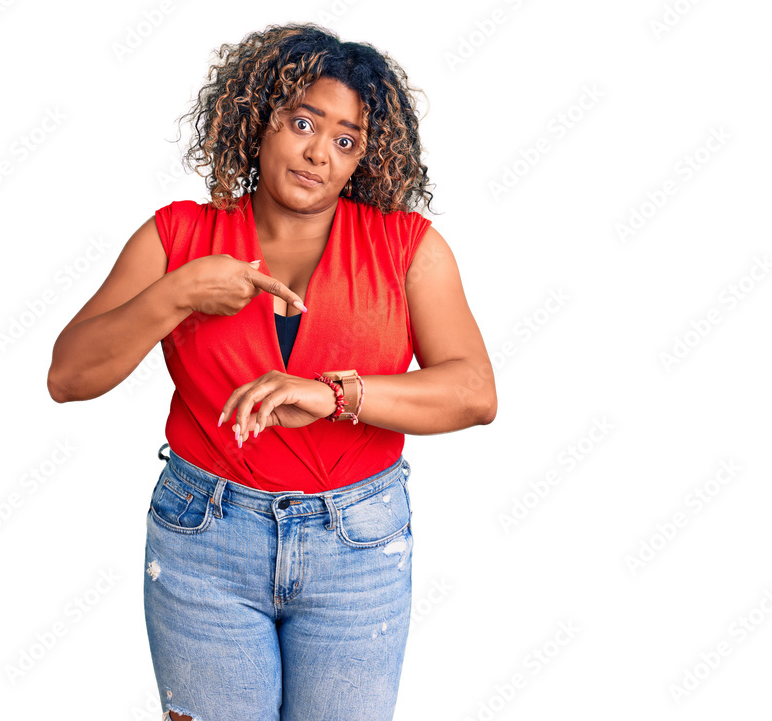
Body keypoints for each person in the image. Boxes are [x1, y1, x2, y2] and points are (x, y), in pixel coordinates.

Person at [47, 22, 496, 721]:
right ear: (260, 121)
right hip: (204, 540)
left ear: (363, 159)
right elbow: (68, 376)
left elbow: (474, 392)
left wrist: (333, 394)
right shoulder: (177, 237)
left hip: (358, 545)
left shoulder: (408, 246)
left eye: (345, 139)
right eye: (302, 121)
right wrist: (179, 293)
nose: (319, 152)